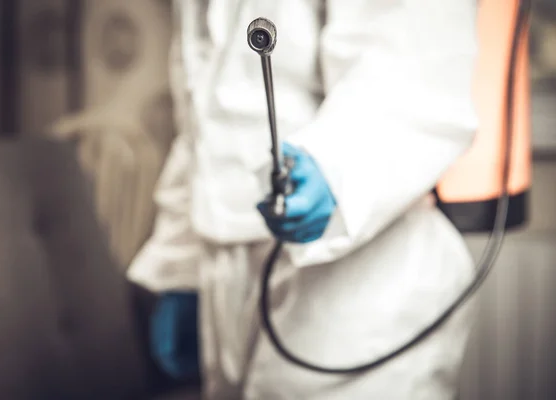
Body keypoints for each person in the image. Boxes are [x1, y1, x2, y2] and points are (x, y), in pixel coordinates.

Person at [128, 0, 480, 398]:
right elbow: (201, 126)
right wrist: (183, 268)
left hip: (364, 282)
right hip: (227, 276)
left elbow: (414, 66)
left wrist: (334, 171)